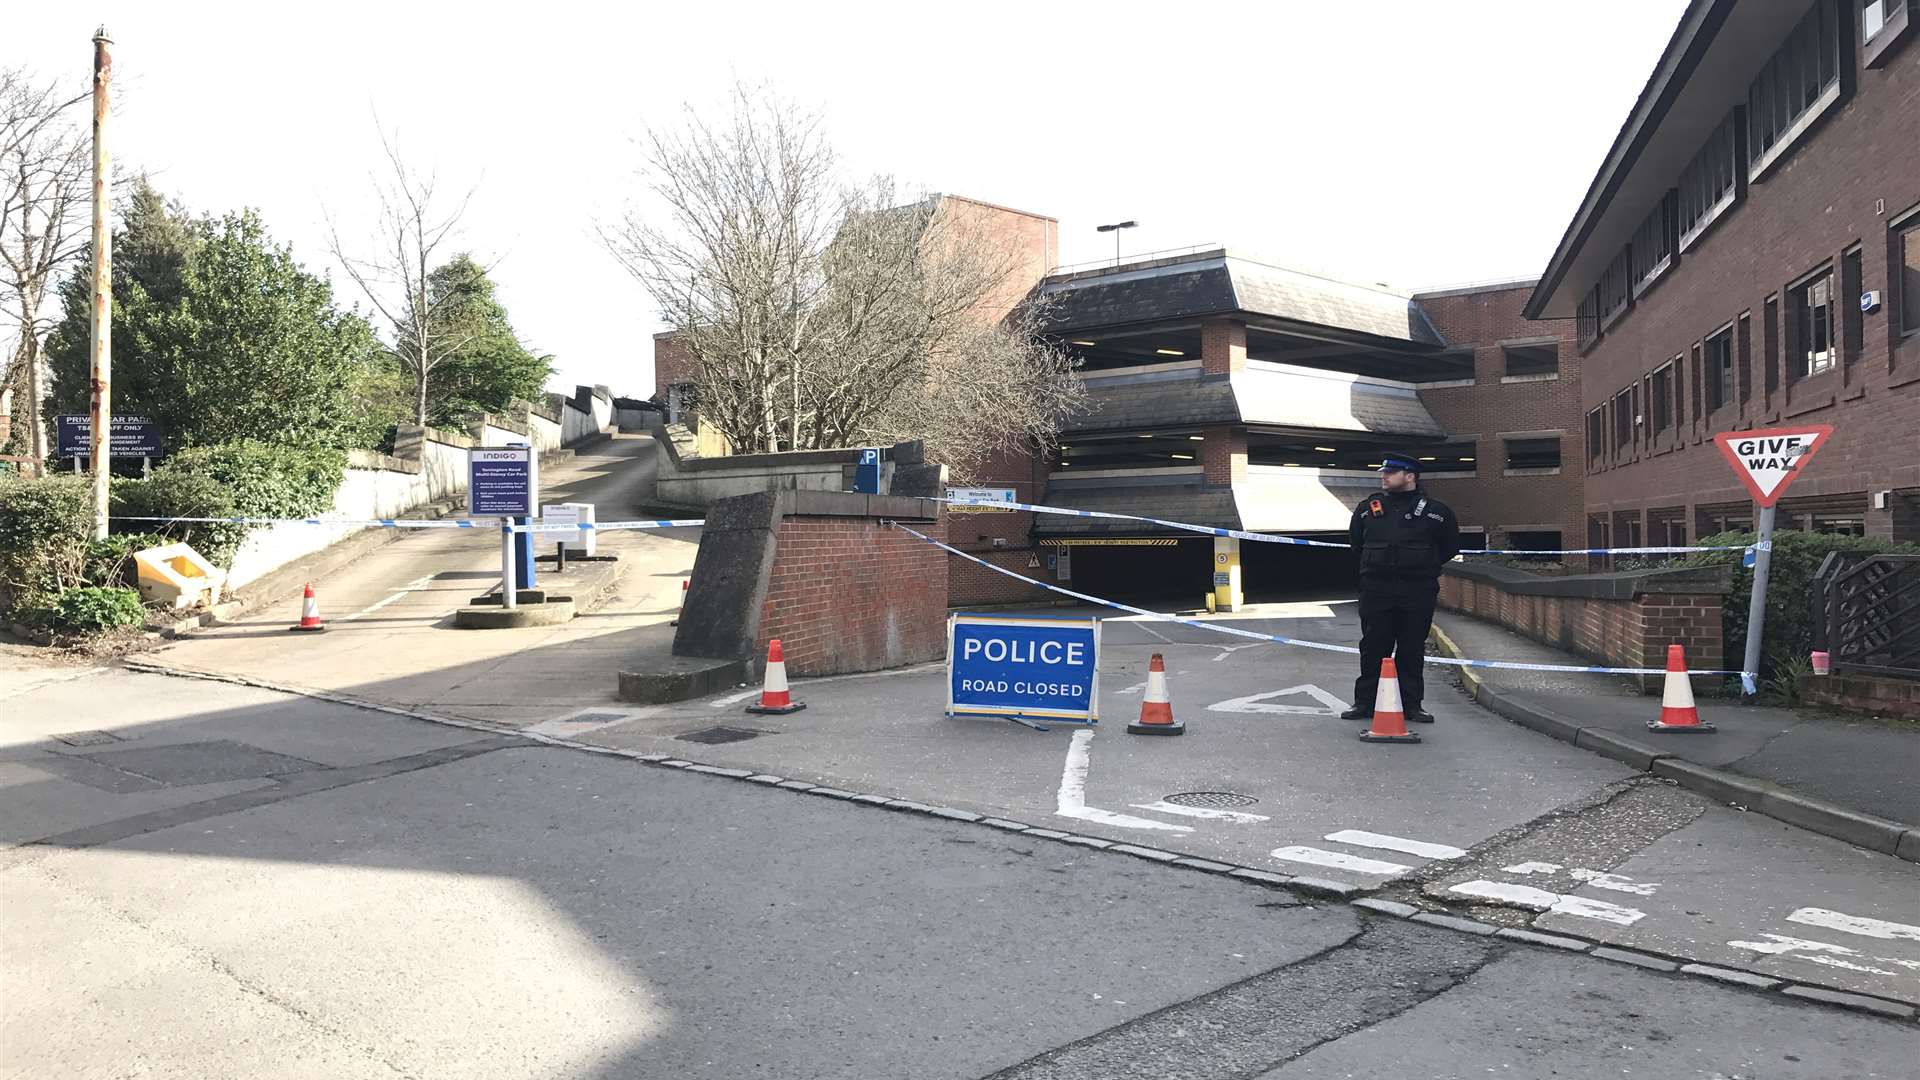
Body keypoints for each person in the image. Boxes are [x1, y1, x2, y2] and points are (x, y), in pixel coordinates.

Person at [1342, 451, 1460, 723]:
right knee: (1373, 646)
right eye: (1383, 471)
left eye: (1390, 472)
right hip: (1376, 589)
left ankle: (1411, 705)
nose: (1383, 476)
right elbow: (1357, 545)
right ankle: (1364, 702)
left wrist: (1421, 565)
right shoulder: (1367, 509)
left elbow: (1449, 547)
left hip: (1416, 590)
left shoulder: (1435, 512)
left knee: (1411, 648)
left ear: (1410, 477)